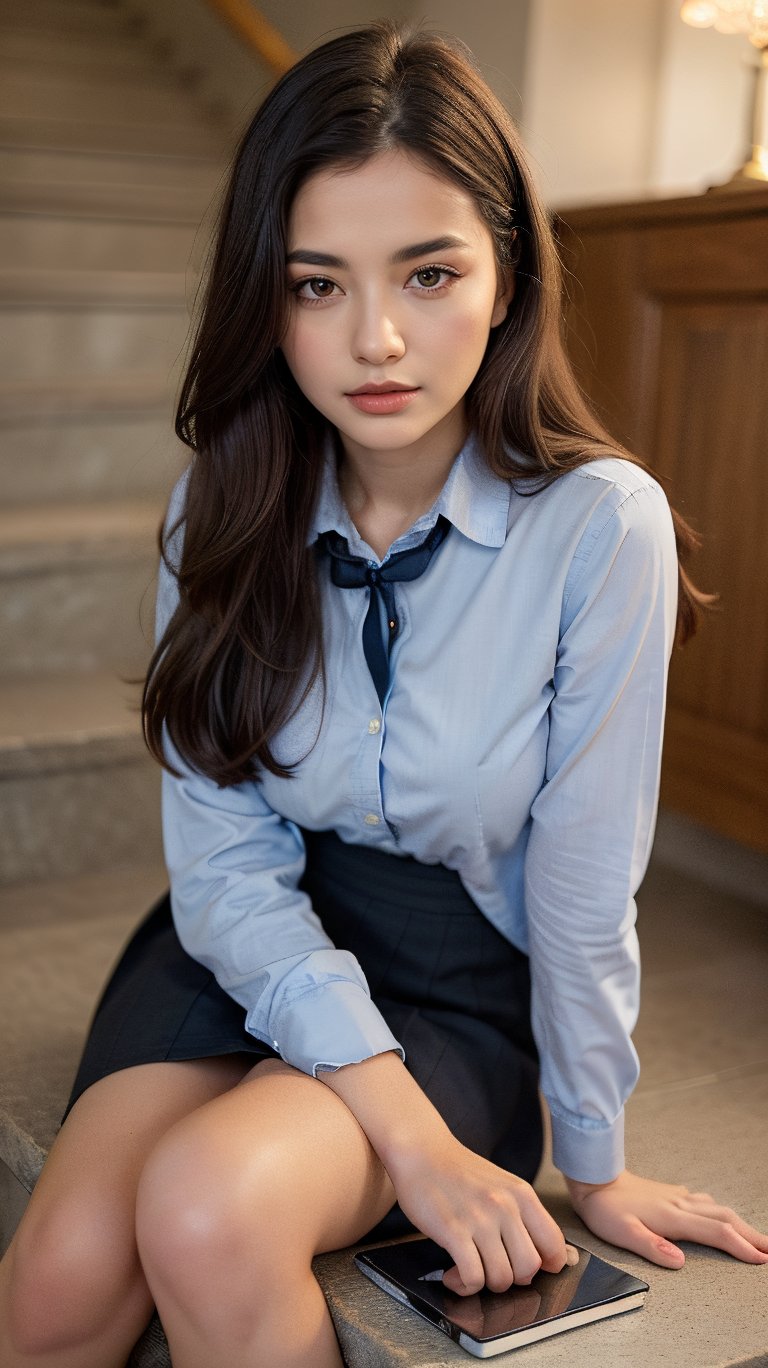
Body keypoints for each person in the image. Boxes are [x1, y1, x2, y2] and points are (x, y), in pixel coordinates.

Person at [1, 19, 766, 1368]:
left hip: (457, 976)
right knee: (52, 1288)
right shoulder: (223, 505)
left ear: (509, 276)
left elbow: (587, 895)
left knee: (207, 1207)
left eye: (428, 273)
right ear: (266, 295)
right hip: (245, 933)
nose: (376, 339)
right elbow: (226, 856)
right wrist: (408, 1147)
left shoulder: (600, 529)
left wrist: (592, 1158)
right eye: (315, 285)